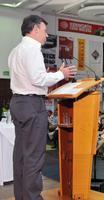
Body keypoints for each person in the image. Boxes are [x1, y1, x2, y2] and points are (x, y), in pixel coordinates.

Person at [8, 15, 77, 200]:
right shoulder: (32, 49)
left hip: (18, 102)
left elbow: (30, 78)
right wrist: (60, 74)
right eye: (45, 31)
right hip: (31, 105)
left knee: (22, 155)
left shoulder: (15, 50)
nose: (47, 35)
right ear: (35, 29)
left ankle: (22, 196)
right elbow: (38, 79)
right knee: (34, 156)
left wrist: (47, 77)